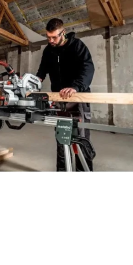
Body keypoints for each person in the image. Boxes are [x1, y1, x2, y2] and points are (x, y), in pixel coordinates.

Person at [36, 18, 96, 171]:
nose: (51, 40)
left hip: (78, 98)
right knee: (62, 136)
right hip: (59, 100)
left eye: (54, 37)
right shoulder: (48, 50)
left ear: (63, 33)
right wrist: (35, 80)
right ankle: (62, 171)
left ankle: (83, 172)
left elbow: (88, 68)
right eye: (48, 37)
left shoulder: (77, 45)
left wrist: (75, 87)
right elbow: (42, 70)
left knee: (81, 137)